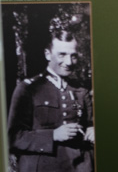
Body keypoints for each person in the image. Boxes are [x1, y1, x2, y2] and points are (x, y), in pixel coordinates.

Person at [8, 27, 95, 172]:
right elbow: (13, 137)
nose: (69, 62)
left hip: (79, 166)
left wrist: (93, 130)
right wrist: (53, 135)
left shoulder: (81, 90)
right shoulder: (28, 88)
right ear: (47, 54)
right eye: (62, 55)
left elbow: (90, 125)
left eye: (73, 56)